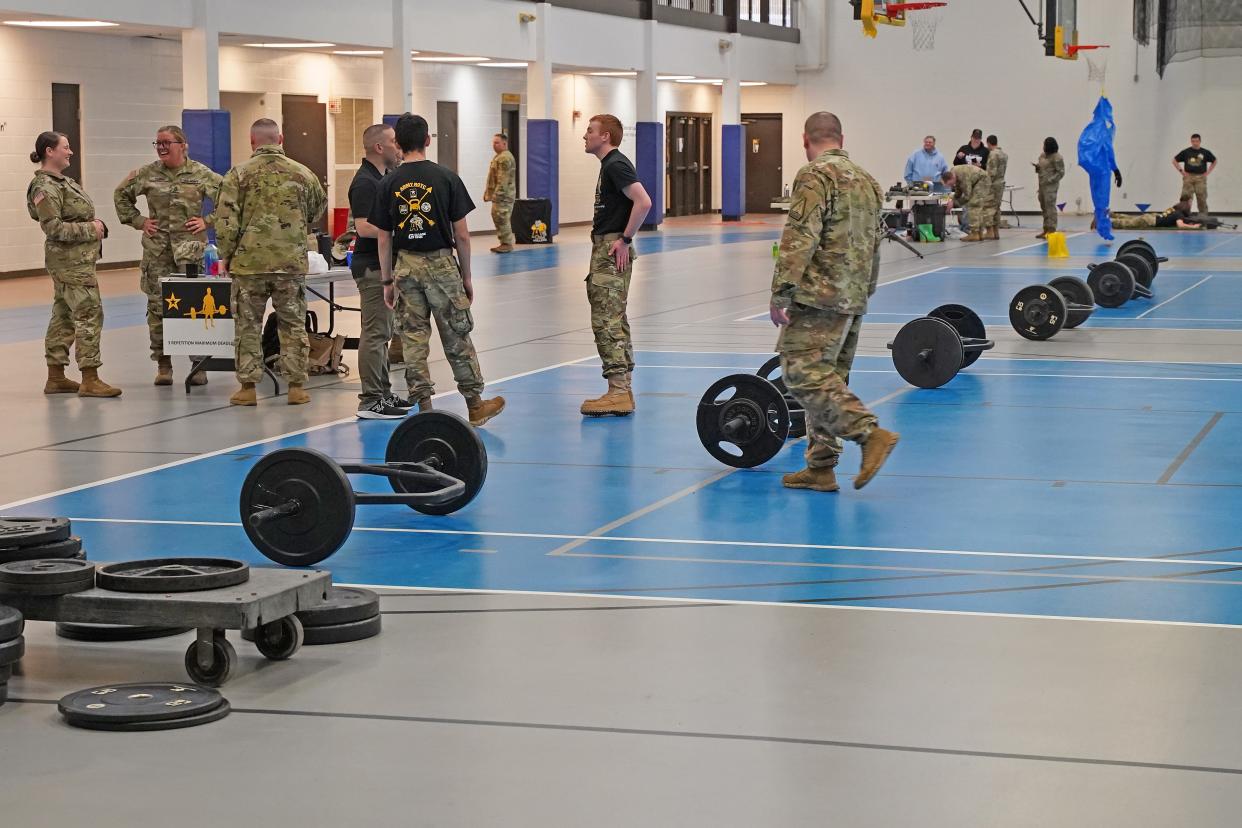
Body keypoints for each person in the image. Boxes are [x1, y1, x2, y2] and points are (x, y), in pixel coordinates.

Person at [770, 112, 899, 493]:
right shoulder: (869, 181)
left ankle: (868, 434)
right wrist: (865, 290)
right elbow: (878, 242)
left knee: (799, 372)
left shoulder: (815, 175)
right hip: (854, 294)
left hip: (819, 295)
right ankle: (821, 467)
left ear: (804, 140)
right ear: (840, 137)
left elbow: (800, 237)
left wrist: (781, 291)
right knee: (831, 377)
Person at [369, 113, 505, 427]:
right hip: (442, 265)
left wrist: (387, 279)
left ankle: (425, 411)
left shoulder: (388, 181)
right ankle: (474, 404)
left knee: (414, 341)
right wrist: (467, 276)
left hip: (405, 266)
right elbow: (463, 235)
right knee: (456, 335)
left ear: (399, 145)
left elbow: (384, 236)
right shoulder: (446, 178)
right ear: (428, 140)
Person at [214, 118, 326, 407]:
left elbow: (225, 221)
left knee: (247, 325)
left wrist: (226, 255)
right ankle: (296, 386)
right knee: (292, 325)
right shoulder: (303, 173)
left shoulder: (237, 175)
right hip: (289, 264)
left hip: (248, 264)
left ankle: (248, 387)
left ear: (252, 141)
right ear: (281, 139)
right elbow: (316, 210)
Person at [113, 125, 223, 386]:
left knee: (195, 308)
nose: (161, 147)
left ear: (182, 145)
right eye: (158, 143)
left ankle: (199, 365)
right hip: (158, 251)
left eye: (167, 143)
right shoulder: (147, 174)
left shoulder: (200, 173)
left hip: (191, 252)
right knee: (157, 308)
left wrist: (208, 220)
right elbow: (121, 195)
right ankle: (164, 364)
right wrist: (139, 221)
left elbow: (229, 199)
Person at [26, 131, 122, 398]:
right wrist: (92, 229)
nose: (70, 152)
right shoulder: (45, 187)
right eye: (65, 148)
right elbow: (53, 228)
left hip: (76, 262)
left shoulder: (62, 182)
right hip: (71, 265)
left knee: (63, 316)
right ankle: (90, 377)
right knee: (89, 314)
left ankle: (55, 377)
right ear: (49, 151)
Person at [580, 113, 653, 416]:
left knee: (606, 320)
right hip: (607, 246)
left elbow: (643, 201)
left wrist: (624, 239)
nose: (585, 135)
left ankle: (618, 391)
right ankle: (623, 387)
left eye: (589, 131)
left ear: (605, 136)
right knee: (615, 317)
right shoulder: (610, 165)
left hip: (611, 248)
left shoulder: (616, 164)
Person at [346, 122, 411, 419]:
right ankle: (370, 399)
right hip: (371, 267)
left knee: (384, 332)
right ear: (379, 147)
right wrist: (402, 232)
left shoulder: (381, 178)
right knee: (374, 333)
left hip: (382, 263)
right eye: (393, 142)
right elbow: (363, 227)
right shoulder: (365, 183)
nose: (398, 148)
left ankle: (384, 392)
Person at [941, 165, 995, 242]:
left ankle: (974, 233)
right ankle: (979, 233)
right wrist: (951, 200)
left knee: (974, 205)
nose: (951, 186)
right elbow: (958, 190)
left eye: (950, 184)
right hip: (977, 181)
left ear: (952, 178)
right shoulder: (953, 172)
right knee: (974, 205)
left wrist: (954, 203)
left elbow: (967, 196)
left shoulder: (963, 176)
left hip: (983, 181)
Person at [483, 133, 516, 254]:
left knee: (502, 217)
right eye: (493, 142)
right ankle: (504, 242)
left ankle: (506, 243)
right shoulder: (500, 156)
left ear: (504, 143)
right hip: (501, 196)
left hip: (503, 196)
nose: (494, 145)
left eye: (497, 143)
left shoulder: (504, 158)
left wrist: (497, 195)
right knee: (498, 217)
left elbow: (503, 180)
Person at [1172, 133, 1217, 216]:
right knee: (1186, 196)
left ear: (1200, 141)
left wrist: (1208, 172)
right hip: (1188, 177)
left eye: (1196, 141)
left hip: (1200, 178)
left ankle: (1203, 215)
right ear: (1191, 141)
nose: (1195, 143)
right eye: (1193, 141)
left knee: (1201, 197)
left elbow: (1214, 161)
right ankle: (1184, 215)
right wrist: (1181, 171)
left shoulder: (1205, 152)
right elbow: (1174, 160)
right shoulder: (1186, 152)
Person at [1034, 137, 1065, 239]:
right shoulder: (1043, 155)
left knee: (1050, 208)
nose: (1043, 146)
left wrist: (1050, 180)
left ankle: (1052, 230)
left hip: (1050, 187)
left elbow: (1061, 172)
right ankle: (1045, 229)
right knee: (1044, 207)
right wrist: (1037, 168)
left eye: (1045, 144)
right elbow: (1042, 167)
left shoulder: (1057, 157)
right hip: (1042, 185)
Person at [1110, 200, 1204, 230]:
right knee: (1127, 224)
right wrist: (1193, 227)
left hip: (1153, 217)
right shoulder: (1178, 214)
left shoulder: (1175, 211)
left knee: (1130, 218)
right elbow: (1180, 225)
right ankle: (1107, 223)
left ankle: (1112, 215)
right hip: (1151, 221)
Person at [984, 135, 1007, 241]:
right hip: (1001, 182)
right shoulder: (1003, 154)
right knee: (997, 208)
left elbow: (991, 172)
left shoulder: (993, 154)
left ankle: (989, 232)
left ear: (988, 143)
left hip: (993, 184)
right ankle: (996, 231)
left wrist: (985, 183)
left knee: (988, 207)